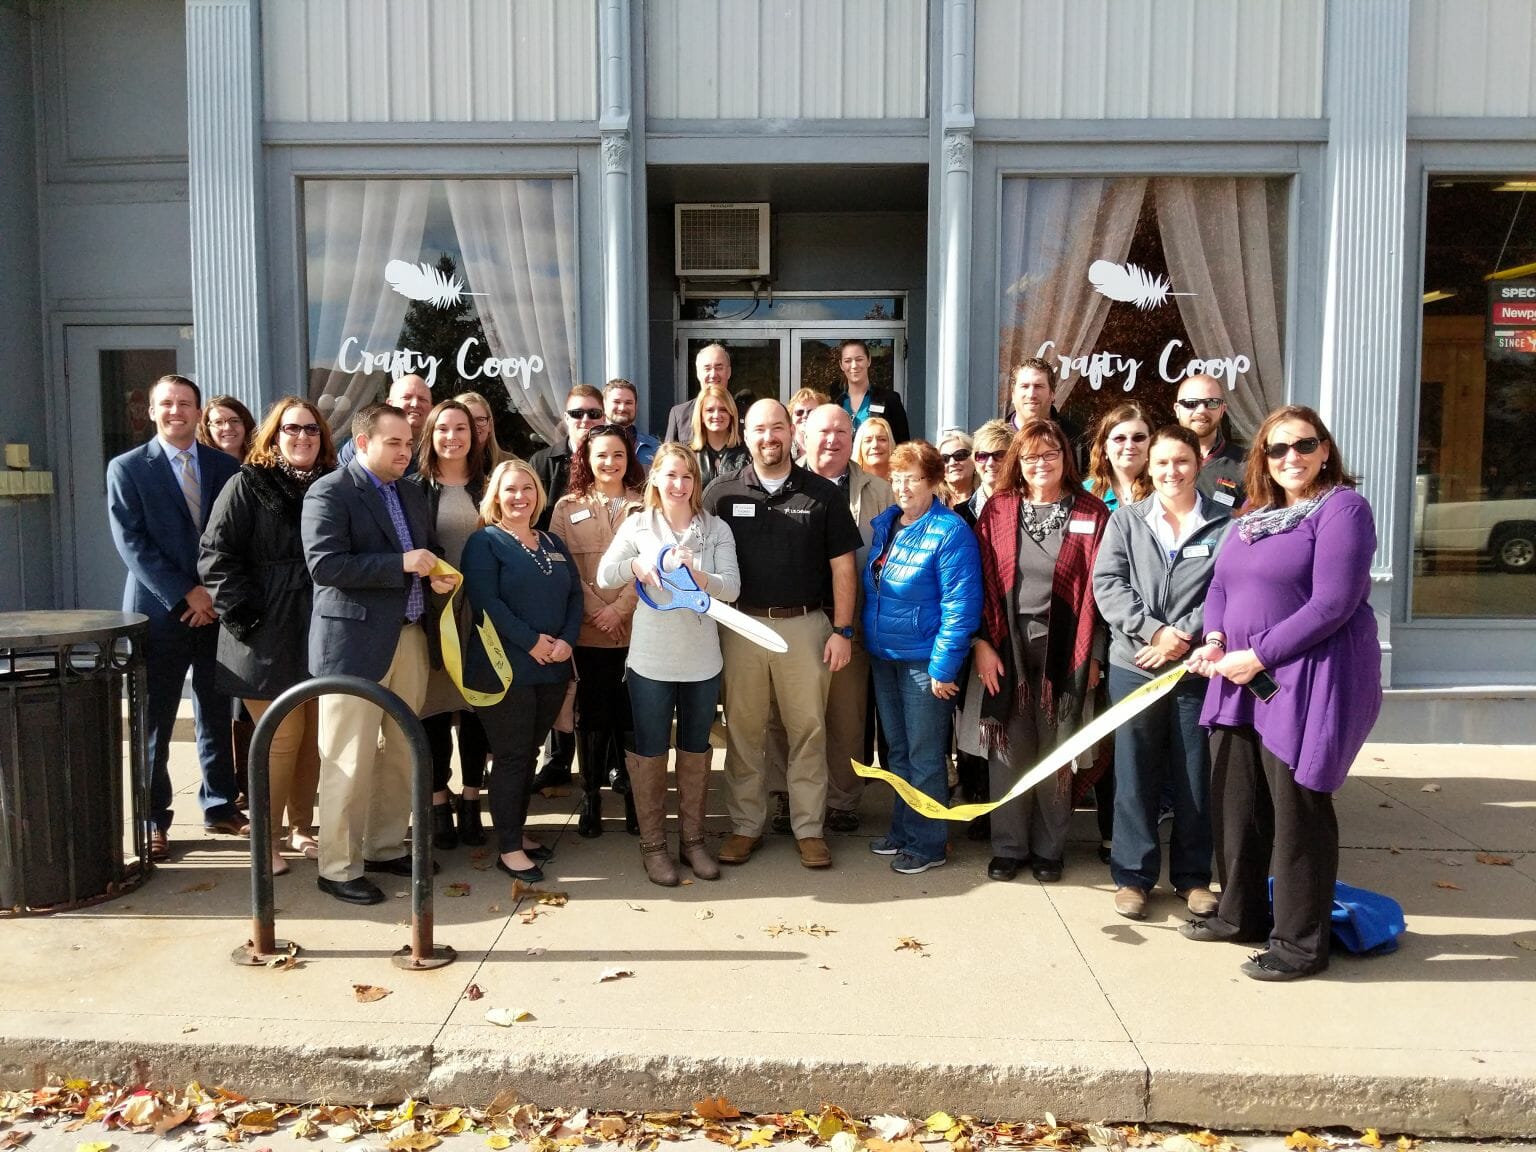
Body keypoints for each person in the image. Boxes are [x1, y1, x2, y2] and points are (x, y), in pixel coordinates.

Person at [1184, 405, 1381, 981]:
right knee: (1236, 802)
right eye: (1276, 449)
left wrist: (1259, 653)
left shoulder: (1343, 508)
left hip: (1306, 679)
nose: (1290, 458)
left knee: (1298, 812)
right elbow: (1220, 584)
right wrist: (1217, 639)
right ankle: (1237, 915)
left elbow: (1332, 603)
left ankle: (1299, 944)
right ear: (1261, 459)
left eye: (1303, 445)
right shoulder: (1254, 515)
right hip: (1241, 678)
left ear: (1325, 450)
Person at [302, 402, 457, 906]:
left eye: (409, 443)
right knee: (348, 756)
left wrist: (435, 574)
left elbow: (422, 554)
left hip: (410, 636)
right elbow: (325, 565)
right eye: (394, 443)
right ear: (363, 442)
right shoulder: (330, 491)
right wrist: (401, 564)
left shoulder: (412, 492)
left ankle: (385, 846)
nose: (405, 451)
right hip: (353, 645)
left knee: (402, 753)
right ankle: (338, 865)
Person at [703, 400, 862, 869]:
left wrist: (843, 630)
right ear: (744, 434)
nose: (768, 437)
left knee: (807, 731)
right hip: (741, 626)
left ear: (792, 432)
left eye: (777, 427)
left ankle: (809, 829)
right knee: (745, 731)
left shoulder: (822, 494)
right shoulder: (721, 493)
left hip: (806, 626)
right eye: (759, 429)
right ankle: (745, 826)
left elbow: (843, 569)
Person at [1091, 425, 1233, 922]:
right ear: (1148, 468)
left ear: (1198, 465)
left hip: (1196, 670)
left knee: (1195, 775)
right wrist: (1153, 633)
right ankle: (1133, 877)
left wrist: (1182, 637)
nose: (1171, 471)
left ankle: (1194, 878)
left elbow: (1227, 590)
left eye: (1181, 461)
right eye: (1162, 462)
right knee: (1135, 773)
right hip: (1135, 665)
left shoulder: (1224, 524)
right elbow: (1107, 584)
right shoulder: (1126, 521)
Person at [107, 374, 243, 860]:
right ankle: (153, 818)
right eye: (167, 403)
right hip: (160, 614)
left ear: (198, 412)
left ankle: (221, 804)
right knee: (156, 720)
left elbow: (234, 537)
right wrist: (186, 594)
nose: (176, 411)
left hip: (217, 611)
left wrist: (213, 594)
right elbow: (133, 544)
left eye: (185, 404)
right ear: (151, 410)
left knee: (214, 712)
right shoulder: (127, 468)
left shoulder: (226, 466)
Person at [198, 396, 336, 874]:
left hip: (318, 627)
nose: (302, 437)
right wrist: (244, 616)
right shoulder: (247, 485)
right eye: (292, 429)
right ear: (273, 436)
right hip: (263, 629)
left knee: (313, 737)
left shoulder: (331, 486)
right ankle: (266, 837)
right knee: (282, 736)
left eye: (312, 430)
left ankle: (301, 827)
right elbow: (215, 556)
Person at [597, 443, 741, 885]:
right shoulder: (638, 524)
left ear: (696, 484)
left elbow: (732, 589)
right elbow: (605, 575)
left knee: (696, 749)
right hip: (651, 661)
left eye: (688, 477)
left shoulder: (715, 529)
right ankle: (654, 846)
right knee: (651, 749)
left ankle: (693, 841)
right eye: (671, 475)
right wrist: (638, 565)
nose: (679, 485)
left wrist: (700, 578)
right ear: (656, 479)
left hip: (701, 661)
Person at [972, 419, 1108, 883]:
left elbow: (1101, 592)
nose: (1040, 464)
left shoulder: (1091, 511)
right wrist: (981, 645)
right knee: (1008, 747)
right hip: (1006, 644)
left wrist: (1096, 656)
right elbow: (980, 584)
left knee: (1056, 750)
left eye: (1050, 454)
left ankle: (1050, 849)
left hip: (1068, 647)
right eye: (1030, 457)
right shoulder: (999, 509)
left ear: (1066, 459)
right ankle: (1008, 847)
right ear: (1018, 462)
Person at [764, 404, 893, 834]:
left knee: (846, 717)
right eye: (824, 431)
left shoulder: (878, 490)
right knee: (784, 716)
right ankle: (784, 796)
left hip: (849, 623)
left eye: (842, 430)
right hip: (791, 621)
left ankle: (841, 800)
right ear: (803, 436)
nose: (833, 439)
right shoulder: (782, 483)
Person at [862, 440, 982, 875]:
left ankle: (929, 842)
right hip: (884, 655)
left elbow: (962, 606)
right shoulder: (887, 525)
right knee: (897, 752)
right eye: (896, 478)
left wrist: (943, 667)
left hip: (923, 663)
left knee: (927, 756)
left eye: (912, 478)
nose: (902, 486)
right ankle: (904, 828)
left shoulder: (950, 532)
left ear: (933, 481)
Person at [461, 459, 583, 883]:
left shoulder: (550, 540)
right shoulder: (485, 542)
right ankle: (509, 848)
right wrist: (532, 642)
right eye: (510, 489)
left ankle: (517, 831)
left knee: (527, 753)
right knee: (513, 756)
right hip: (506, 669)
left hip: (552, 668)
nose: (520, 497)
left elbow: (574, 595)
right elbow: (487, 603)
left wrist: (567, 639)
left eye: (527, 489)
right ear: (495, 496)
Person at [549, 424, 645, 838]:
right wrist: (599, 611)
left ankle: (635, 799)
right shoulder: (566, 508)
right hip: (588, 634)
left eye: (618, 455)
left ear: (629, 459)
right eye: (601, 455)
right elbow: (562, 568)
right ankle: (590, 795)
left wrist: (621, 608)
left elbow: (651, 564)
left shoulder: (646, 506)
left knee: (633, 717)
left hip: (638, 631)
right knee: (591, 717)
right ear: (586, 459)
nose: (610, 462)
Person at [409, 400, 491, 851]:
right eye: (443, 428)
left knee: (478, 709)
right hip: (432, 616)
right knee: (435, 712)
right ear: (431, 434)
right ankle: (438, 803)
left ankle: (473, 801)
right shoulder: (413, 489)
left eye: (461, 428)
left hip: (482, 617)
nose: (452, 436)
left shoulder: (490, 484)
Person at [526, 383, 605, 788]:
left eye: (593, 413)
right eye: (577, 414)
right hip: (553, 586)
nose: (585, 421)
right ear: (565, 418)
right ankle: (558, 761)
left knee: (598, 681)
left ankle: (605, 764)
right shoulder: (542, 462)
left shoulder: (611, 459)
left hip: (605, 590)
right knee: (559, 675)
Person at [1174, 373, 1246, 513]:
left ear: (1222, 410)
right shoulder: (1157, 459)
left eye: (1211, 403)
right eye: (1191, 403)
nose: (1201, 410)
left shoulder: (1247, 464)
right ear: (1177, 409)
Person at [336, 373, 432, 474]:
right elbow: (340, 484)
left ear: (431, 408)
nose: (415, 404)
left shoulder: (438, 447)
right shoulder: (366, 442)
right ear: (390, 404)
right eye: (406, 397)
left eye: (422, 399)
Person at [835, 339, 910, 443]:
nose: (854, 365)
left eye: (859, 359)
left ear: (869, 360)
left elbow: (903, 444)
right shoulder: (836, 404)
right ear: (841, 365)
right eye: (848, 361)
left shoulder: (889, 400)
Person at [1084, 403, 1153, 512]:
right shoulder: (1084, 493)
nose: (1130, 446)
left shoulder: (1165, 491)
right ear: (1105, 447)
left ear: (1151, 443)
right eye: (1120, 438)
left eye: (1138, 438)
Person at [1006, 357, 1082, 455]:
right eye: (1024, 386)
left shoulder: (1074, 438)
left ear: (1052, 394)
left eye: (1038, 386)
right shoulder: (995, 441)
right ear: (1013, 394)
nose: (1031, 394)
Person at [664, 343, 731, 444]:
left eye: (719, 368)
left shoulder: (746, 414)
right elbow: (669, 456)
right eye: (707, 369)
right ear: (698, 373)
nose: (713, 374)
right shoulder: (679, 414)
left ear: (729, 372)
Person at [690, 384, 748, 488]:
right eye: (710, 410)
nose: (716, 415)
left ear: (731, 414)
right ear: (701, 416)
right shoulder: (688, 455)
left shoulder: (748, 454)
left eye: (723, 409)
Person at [604, 378, 659, 470]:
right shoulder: (592, 443)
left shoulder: (654, 447)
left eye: (628, 403)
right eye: (616, 402)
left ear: (635, 406)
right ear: (604, 404)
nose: (622, 408)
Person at [455, 390, 509, 474]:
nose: (474, 425)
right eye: (468, 420)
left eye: (480, 419)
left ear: (490, 425)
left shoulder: (510, 463)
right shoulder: (445, 466)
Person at [198, 395, 256, 461]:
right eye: (218, 422)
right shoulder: (197, 467)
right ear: (207, 428)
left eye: (235, 421)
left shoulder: (265, 464)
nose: (227, 428)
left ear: (246, 425)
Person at [788, 387, 830, 463]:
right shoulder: (785, 449)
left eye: (811, 412)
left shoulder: (831, 446)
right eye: (799, 412)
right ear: (792, 417)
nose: (804, 416)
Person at [937, 429, 976, 507]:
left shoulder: (987, 500)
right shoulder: (930, 503)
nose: (952, 463)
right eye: (945, 459)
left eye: (959, 455)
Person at [853, 416, 895, 482]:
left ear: (891, 444)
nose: (875, 445)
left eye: (882, 439)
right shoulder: (849, 485)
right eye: (868, 441)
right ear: (859, 447)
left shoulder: (903, 486)